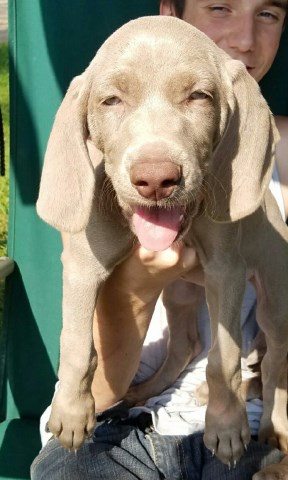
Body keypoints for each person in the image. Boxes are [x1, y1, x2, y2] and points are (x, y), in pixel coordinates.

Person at [31, 1, 288, 478]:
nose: (245, 38)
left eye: (197, 97)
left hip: (247, 432)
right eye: (219, 7)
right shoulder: (98, 183)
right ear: (172, 11)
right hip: (118, 424)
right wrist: (139, 283)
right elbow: (91, 399)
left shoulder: (250, 149)